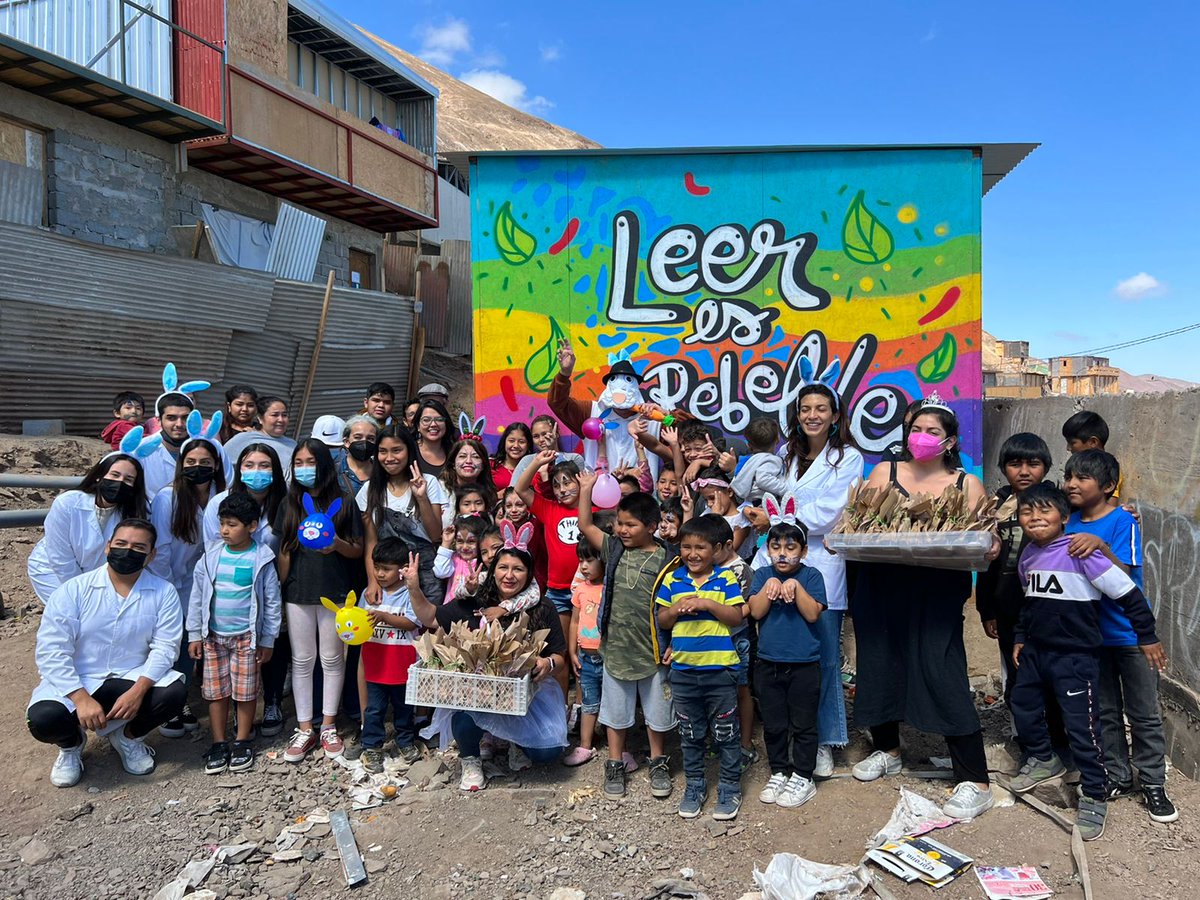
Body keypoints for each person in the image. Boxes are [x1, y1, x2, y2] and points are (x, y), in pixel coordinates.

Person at [849, 395, 997, 820]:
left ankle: (975, 779)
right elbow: (860, 527)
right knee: (879, 664)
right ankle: (888, 749)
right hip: (880, 587)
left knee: (942, 669)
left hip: (937, 593)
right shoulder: (884, 472)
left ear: (950, 441)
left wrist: (990, 545)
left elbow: (984, 537)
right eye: (916, 429)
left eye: (933, 432)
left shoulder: (966, 483)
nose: (922, 437)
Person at [1008, 483, 1165, 840]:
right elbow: (1028, 604)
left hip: (1075, 657)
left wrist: (1147, 635)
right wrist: (1020, 638)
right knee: (1023, 707)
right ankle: (1044, 758)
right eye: (1027, 512)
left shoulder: (1081, 551)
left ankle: (1095, 794)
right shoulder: (1028, 555)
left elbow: (1128, 593)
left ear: (1064, 518)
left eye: (1045, 511)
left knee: (1083, 727)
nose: (1035, 518)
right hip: (1036, 652)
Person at [745, 382, 864, 777]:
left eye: (821, 409)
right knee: (782, 658)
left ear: (835, 415)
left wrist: (776, 519)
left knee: (823, 661)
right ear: (796, 415)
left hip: (819, 569)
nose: (812, 415)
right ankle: (792, 744)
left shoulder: (847, 458)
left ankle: (824, 742)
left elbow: (831, 512)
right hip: (774, 567)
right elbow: (769, 500)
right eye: (805, 409)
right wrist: (766, 515)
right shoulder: (785, 456)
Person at [27, 518, 185, 786]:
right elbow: (52, 650)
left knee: (173, 693)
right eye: (121, 544)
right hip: (80, 678)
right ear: (108, 547)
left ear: (151, 555)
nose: (128, 551)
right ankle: (71, 744)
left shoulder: (163, 592)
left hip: (129, 676)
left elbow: (166, 647)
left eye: (138, 547)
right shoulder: (73, 591)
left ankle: (128, 738)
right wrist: (80, 699)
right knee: (43, 719)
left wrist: (139, 691)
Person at [1063, 450, 1177, 822]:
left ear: (1109, 486)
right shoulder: (1067, 521)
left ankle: (1154, 783)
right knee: (1106, 711)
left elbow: (1125, 575)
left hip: (1128, 634)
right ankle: (1118, 775)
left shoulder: (1121, 521)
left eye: (1082, 478)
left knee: (1143, 713)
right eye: (1069, 477)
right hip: (1091, 637)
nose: (1071, 484)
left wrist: (1100, 546)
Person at [408, 534, 569, 791]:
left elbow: (560, 656)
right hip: (478, 696)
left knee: (547, 753)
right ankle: (471, 757)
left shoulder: (542, 606)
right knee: (463, 717)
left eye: (518, 569)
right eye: (503, 567)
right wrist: (414, 588)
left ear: (529, 575)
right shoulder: (475, 601)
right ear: (493, 571)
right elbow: (430, 617)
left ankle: (512, 741)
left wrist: (547, 664)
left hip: (526, 697)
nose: (509, 575)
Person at [576, 477, 676, 799]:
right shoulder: (613, 547)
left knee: (657, 711)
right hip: (616, 649)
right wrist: (586, 488)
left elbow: (675, 603)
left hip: (654, 649)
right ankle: (615, 763)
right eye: (619, 523)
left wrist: (674, 642)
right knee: (616, 712)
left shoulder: (668, 559)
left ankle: (658, 760)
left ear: (652, 526)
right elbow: (585, 523)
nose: (622, 530)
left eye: (630, 525)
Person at [976, 433, 1066, 760]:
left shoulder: (1058, 504)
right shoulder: (994, 508)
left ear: (1046, 467)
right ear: (1003, 468)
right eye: (1015, 464)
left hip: (1049, 609)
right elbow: (984, 564)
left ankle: (1060, 743)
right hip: (1008, 607)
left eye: (1033, 463)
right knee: (1017, 677)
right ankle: (1027, 742)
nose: (1024, 471)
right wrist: (986, 610)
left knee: (1054, 678)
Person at [276, 440, 363, 762]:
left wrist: (338, 544)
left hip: (336, 594)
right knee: (301, 660)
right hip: (298, 593)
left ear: (325, 464)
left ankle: (328, 725)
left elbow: (356, 549)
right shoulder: (289, 502)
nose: (303, 468)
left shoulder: (344, 501)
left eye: (310, 461)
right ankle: (304, 728)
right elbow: (284, 551)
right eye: (298, 462)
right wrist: (282, 592)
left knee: (331, 659)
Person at [656, 516, 746, 821]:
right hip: (683, 672)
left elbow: (736, 617)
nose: (693, 554)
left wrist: (707, 604)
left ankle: (730, 787)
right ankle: (695, 786)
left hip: (720, 671)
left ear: (717, 549)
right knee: (690, 733)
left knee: (725, 732)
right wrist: (675, 609)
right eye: (686, 547)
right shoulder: (673, 580)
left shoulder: (725, 579)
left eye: (701, 547)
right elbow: (662, 620)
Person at [187, 493, 281, 775]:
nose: (224, 530)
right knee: (216, 693)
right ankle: (219, 742)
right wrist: (194, 633)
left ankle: (242, 740)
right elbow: (197, 597)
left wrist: (267, 639)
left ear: (252, 526)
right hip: (213, 637)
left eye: (232, 525)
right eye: (222, 524)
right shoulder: (210, 557)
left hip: (247, 639)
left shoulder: (262, 558)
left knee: (246, 691)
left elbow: (272, 602)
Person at [150, 436, 227, 737]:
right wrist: (170, 593)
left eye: (205, 463)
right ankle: (172, 705)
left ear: (217, 465)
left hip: (210, 582)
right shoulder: (167, 498)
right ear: (181, 465)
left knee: (198, 642)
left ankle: (184, 698)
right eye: (191, 463)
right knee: (176, 642)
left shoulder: (222, 495)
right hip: (172, 582)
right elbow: (162, 551)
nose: (197, 468)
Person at [749, 513, 826, 809]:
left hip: (805, 664)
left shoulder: (811, 576)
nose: (782, 553)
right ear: (767, 549)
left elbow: (812, 613)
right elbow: (755, 613)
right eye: (776, 546)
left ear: (803, 551)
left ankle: (803, 776)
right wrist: (769, 589)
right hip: (767, 663)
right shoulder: (761, 575)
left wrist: (796, 588)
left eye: (791, 547)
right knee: (774, 723)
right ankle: (779, 771)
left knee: (804, 723)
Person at [28, 453, 149, 604]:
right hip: (52, 571)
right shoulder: (67, 503)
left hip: (96, 576)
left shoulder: (132, 513)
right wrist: (83, 591)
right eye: (115, 475)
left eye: (128, 479)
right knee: (69, 612)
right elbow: (60, 558)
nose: (120, 482)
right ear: (99, 475)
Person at [359, 425, 448, 606]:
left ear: (409, 450)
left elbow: (435, 535)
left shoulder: (429, 482)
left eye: (397, 450)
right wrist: (373, 581)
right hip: (387, 579)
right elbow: (371, 542)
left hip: (425, 576)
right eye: (383, 451)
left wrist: (421, 498)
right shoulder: (369, 490)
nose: (389, 458)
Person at [359, 538, 422, 773]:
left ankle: (405, 741)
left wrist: (385, 618)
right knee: (374, 709)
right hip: (375, 662)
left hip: (402, 663)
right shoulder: (370, 594)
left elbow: (411, 622)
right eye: (377, 568)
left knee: (404, 707)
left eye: (386, 569)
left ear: (402, 569)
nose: (380, 574)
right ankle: (371, 746)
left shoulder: (409, 594)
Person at [515, 448, 584, 640]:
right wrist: (536, 463)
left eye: (567, 482)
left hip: (587, 587)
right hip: (558, 590)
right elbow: (520, 489)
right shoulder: (549, 509)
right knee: (559, 643)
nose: (562, 489)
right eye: (556, 485)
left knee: (583, 644)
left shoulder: (592, 509)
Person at [564, 542, 605, 767]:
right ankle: (585, 745)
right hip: (586, 657)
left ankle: (621, 748)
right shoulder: (580, 589)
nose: (584, 566)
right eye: (581, 561)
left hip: (609, 657)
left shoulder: (610, 588)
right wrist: (572, 651)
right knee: (589, 702)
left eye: (590, 561)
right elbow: (575, 622)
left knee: (613, 704)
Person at [144, 393, 231, 499]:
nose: (179, 424)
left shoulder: (212, 445)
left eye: (185, 418)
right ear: (158, 420)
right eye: (171, 418)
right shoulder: (143, 449)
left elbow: (228, 484)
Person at [222, 396, 296, 478]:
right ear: (260, 418)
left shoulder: (292, 444)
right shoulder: (243, 439)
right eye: (275, 415)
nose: (281, 420)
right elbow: (222, 466)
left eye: (284, 415)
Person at [1061, 410, 1123, 502]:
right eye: (1068, 478)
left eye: (1072, 443)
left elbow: (1109, 508)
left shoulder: (1106, 469)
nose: (1068, 448)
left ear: (1093, 442)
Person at [729, 417, 784, 505]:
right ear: (777, 439)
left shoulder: (746, 461)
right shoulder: (771, 460)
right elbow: (762, 479)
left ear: (748, 445)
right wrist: (786, 490)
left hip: (748, 503)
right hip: (764, 504)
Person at [434, 515, 488, 599]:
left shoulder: (484, 562)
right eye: (460, 541)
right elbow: (441, 572)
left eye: (471, 541)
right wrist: (446, 543)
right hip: (450, 609)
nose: (465, 547)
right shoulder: (454, 558)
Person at [442, 436, 497, 512]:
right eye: (462, 456)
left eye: (476, 457)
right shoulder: (439, 490)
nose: (468, 461)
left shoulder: (489, 493)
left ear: (483, 465)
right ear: (453, 464)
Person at [413, 399, 457, 477]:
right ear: (418, 426)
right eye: (426, 420)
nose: (433, 424)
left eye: (439, 419)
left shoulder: (455, 452)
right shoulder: (409, 451)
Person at [338, 415, 379, 497]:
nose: (364, 442)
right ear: (346, 442)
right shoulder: (334, 472)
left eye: (370, 438)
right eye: (358, 437)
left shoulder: (382, 472)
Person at [492, 422, 533, 491]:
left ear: (528, 445)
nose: (516, 445)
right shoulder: (491, 465)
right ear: (504, 442)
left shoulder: (534, 467)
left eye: (521, 442)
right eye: (511, 441)